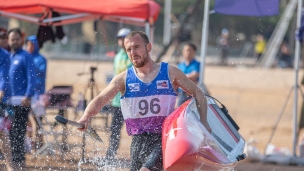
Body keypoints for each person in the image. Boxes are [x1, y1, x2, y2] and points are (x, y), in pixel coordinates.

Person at [77, 31, 211, 171]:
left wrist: (204, 121)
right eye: (128, 49)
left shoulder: (170, 72)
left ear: (149, 47)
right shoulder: (123, 79)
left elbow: (198, 93)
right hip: (137, 141)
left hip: (162, 138)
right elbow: (100, 99)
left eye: (136, 47)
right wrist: (85, 116)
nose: (132, 52)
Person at [8, 28, 36, 169]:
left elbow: (32, 77)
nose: (14, 41)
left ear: (21, 39)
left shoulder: (26, 56)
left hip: (22, 101)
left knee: (18, 132)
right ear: (8, 41)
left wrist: (28, 95)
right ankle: (12, 159)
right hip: (9, 102)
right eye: (12, 39)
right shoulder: (9, 56)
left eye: (17, 39)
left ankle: (19, 161)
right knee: (10, 132)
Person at [104, 28, 132, 162]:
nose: (121, 41)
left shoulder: (133, 55)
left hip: (131, 100)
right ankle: (110, 156)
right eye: (120, 38)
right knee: (114, 130)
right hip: (117, 100)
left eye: (124, 38)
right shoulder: (117, 56)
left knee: (136, 130)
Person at [25, 35, 47, 150]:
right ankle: (29, 143)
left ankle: (39, 143)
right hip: (27, 94)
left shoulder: (41, 59)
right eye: (28, 44)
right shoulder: (26, 57)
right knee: (27, 120)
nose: (29, 47)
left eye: (31, 44)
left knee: (38, 121)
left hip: (39, 95)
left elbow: (41, 73)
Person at [0, 27, 13, 171]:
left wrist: (1, 92)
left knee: (2, 134)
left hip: (1, 100)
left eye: (4, 37)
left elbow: (4, 78)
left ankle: (9, 164)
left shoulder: (4, 55)